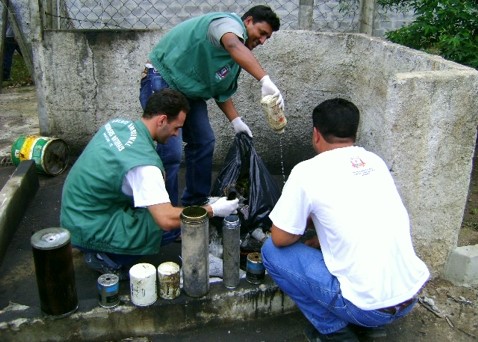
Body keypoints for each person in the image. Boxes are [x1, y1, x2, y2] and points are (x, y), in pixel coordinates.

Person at [261, 98, 430, 341]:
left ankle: (335, 332)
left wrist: (303, 225)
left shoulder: (307, 172)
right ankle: (369, 328)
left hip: (366, 308)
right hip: (409, 297)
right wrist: (323, 235)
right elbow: (362, 215)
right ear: (354, 133)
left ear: (316, 134)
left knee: (271, 252)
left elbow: (280, 237)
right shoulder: (375, 162)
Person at [60, 89, 239, 279]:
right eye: (176, 128)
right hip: (86, 226)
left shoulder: (119, 125)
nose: (176, 134)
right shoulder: (145, 165)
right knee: (167, 228)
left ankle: (95, 242)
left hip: (75, 214)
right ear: (161, 120)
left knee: (158, 208)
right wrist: (213, 210)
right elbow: (166, 219)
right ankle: (106, 257)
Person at [139, 5, 283, 207]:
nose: (262, 41)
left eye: (267, 38)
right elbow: (233, 44)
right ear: (248, 21)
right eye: (261, 33)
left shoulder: (233, 61)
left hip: (189, 92)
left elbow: (221, 92)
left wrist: (236, 122)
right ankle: (165, 217)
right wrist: (265, 80)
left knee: (204, 141)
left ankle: (195, 205)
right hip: (163, 79)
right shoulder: (226, 24)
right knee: (170, 153)